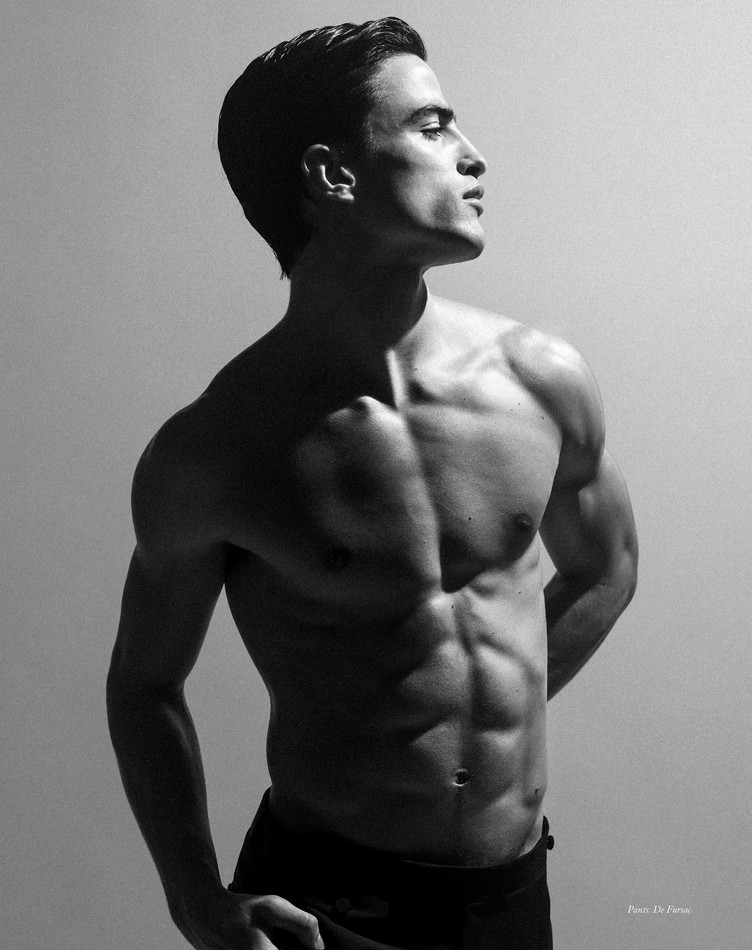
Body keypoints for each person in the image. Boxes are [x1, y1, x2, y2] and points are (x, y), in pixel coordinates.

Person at [107, 17, 638, 950]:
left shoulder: (540, 380)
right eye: (432, 127)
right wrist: (196, 900)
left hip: (511, 899)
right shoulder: (216, 451)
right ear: (333, 175)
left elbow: (607, 569)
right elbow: (145, 684)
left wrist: (475, 722)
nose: (472, 155)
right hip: (326, 909)